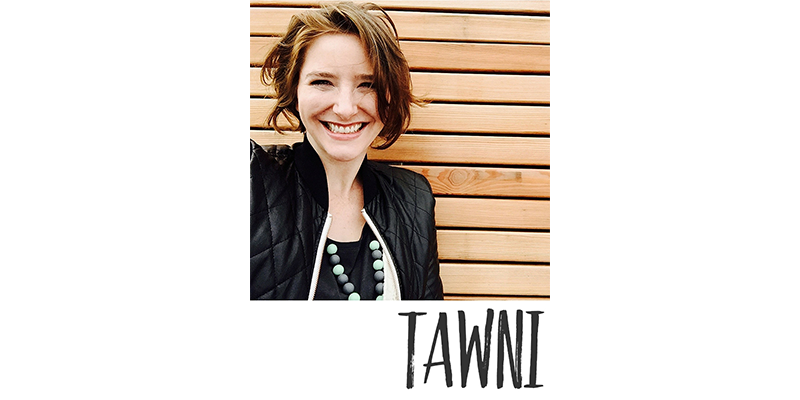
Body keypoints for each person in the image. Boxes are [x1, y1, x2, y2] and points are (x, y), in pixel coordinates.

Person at [250, 2, 444, 300]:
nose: (345, 108)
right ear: (294, 91)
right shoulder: (252, 179)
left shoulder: (414, 200)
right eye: (322, 82)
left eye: (368, 84)